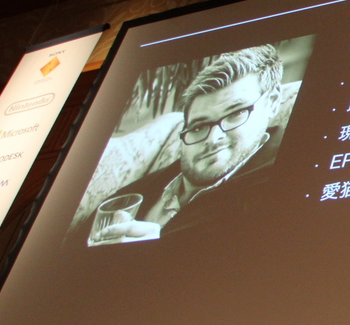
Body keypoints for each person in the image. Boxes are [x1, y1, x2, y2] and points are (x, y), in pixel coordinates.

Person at [90, 44, 283, 244]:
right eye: (199, 127)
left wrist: (153, 253)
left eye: (235, 114)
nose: (213, 138)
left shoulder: (278, 191)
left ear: (273, 102)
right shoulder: (133, 194)